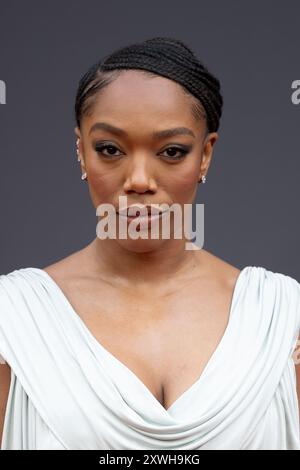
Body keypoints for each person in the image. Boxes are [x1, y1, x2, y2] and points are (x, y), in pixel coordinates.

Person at [0, 37, 299, 450]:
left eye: (172, 151)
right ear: (81, 151)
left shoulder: (282, 320)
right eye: (110, 149)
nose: (139, 180)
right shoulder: (13, 322)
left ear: (205, 155)